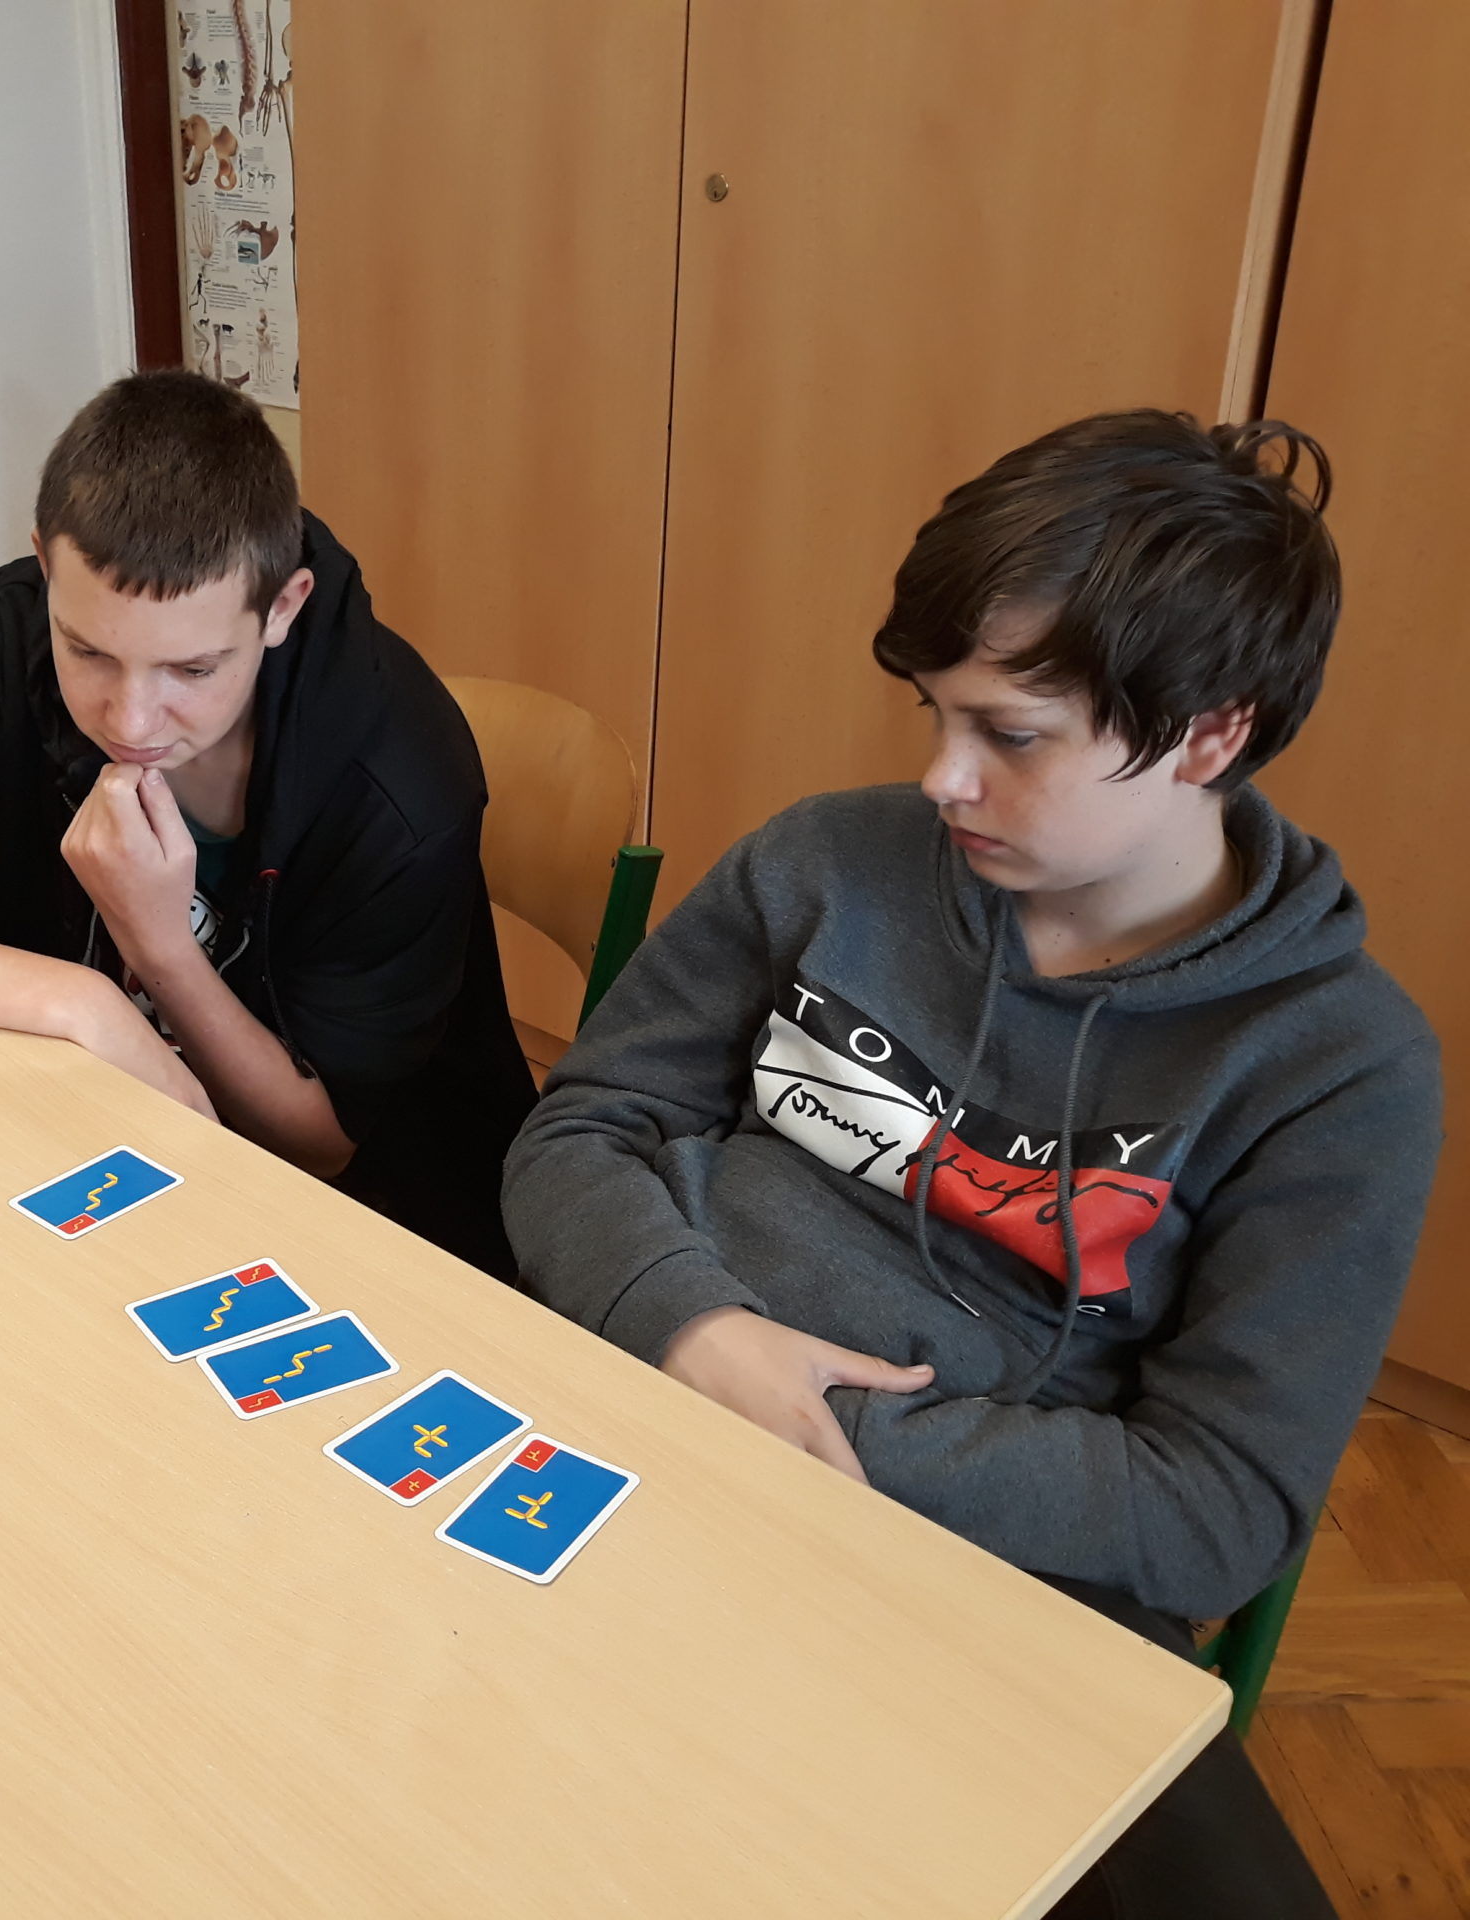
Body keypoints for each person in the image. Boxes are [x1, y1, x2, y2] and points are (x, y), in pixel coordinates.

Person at [506, 410, 1441, 1917]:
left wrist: (811, 1427)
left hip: (975, 1560)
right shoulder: (823, 862)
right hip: (636, 1392)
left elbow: (1214, 1510)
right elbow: (579, 1128)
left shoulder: (1338, 1069)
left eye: (1008, 735)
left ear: (1211, 735)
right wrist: (695, 1330)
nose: (941, 778)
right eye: (934, 714)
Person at [0, 369, 537, 1275]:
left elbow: (319, 1147)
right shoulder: (12, 629)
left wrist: (160, 948)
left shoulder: (400, 779)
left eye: (193, 671)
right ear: (45, 566)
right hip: (72, 1141)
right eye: (88, 652)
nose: (130, 719)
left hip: (370, 1234)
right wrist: (83, 1004)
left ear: (283, 607)